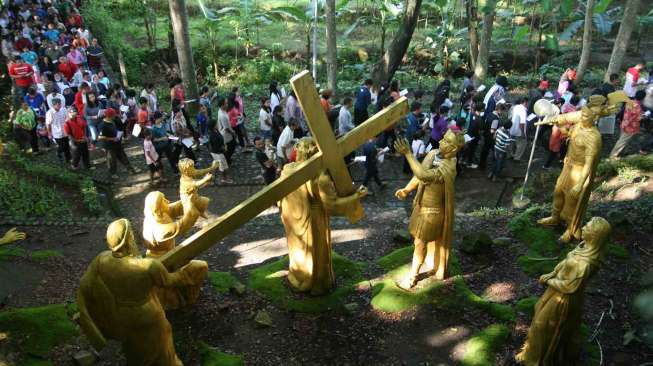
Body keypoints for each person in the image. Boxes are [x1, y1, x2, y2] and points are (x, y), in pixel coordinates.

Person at [77, 219, 186, 365]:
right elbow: (168, 281)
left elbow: (85, 285)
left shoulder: (101, 259)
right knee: (161, 348)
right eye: (131, 236)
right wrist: (185, 274)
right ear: (127, 240)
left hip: (122, 317)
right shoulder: (148, 266)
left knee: (135, 351)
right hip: (147, 315)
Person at [516, 218, 611, 366]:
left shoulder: (586, 263)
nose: (583, 227)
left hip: (564, 299)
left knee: (543, 325)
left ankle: (538, 360)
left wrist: (548, 281)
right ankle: (531, 353)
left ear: (595, 235)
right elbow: (567, 259)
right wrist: (552, 273)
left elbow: (570, 287)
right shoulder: (583, 247)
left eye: (587, 226)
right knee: (538, 311)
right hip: (556, 291)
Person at [278, 138, 367, 295]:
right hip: (315, 219)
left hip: (293, 220)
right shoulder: (320, 177)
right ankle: (318, 283)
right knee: (317, 251)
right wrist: (356, 196)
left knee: (298, 249)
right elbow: (331, 205)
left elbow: (280, 197)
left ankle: (298, 277)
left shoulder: (286, 169)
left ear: (297, 151)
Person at [394, 130, 464, 289]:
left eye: (446, 142)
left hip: (432, 213)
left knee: (420, 243)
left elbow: (424, 175)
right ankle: (423, 263)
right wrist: (407, 189)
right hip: (420, 206)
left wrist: (408, 154)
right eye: (443, 139)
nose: (440, 142)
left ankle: (412, 277)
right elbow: (419, 175)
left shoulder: (448, 168)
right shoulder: (434, 153)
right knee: (418, 241)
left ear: (453, 149)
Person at [98, 108, 137, 179]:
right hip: (109, 146)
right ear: (109, 116)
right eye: (113, 115)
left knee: (123, 157)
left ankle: (130, 169)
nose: (114, 116)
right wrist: (111, 138)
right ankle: (113, 173)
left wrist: (119, 135)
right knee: (112, 160)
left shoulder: (112, 121)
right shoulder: (103, 125)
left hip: (117, 143)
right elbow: (100, 137)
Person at [610, 91, 644, 158]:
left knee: (623, 140)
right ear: (642, 98)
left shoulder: (630, 102)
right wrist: (642, 116)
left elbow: (628, 113)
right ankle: (613, 156)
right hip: (630, 127)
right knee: (622, 142)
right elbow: (637, 118)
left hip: (624, 123)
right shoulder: (637, 107)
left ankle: (622, 151)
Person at [479, 103, 504, 170]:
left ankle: (481, 164)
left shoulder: (490, 114)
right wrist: (499, 131)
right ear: (499, 110)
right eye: (502, 111)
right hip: (491, 137)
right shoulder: (495, 119)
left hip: (486, 134)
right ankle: (493, 167)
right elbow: (492, 131)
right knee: (494, 152)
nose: (502, 113)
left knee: (485, 150)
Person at [46, 98, 70, 164]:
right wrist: (49, 133)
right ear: (54, 105)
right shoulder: (49, 113)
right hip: (57, 133)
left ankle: (68, 159)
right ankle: (59, 153)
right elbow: (48, 124)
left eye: (60, 104)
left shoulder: (63, 109)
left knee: (67, 146)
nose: (59, 106)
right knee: (62, 146)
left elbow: (67, 118)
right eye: (58, 105)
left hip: (65, 131)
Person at [208, 119, 233, 184]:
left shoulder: (216, 131)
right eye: (216, 124)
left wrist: (224, 146)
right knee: (222, 166)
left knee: (223, 165)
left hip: (219, 151)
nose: (217, 124)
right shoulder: (213, 135)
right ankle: (224, 179)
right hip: (217, 153)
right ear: (214, 126)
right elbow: (216, 146)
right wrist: (223, 149)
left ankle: (213, 176)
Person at [464, 102, 485, 168]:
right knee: (472, 150)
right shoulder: (480, 119)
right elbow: (481, 130)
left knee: (468, 149)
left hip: (468, 135)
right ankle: (469, 163)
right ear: (481, 109)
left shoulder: (472, 114)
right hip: (474, 137)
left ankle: (464, 160)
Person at [217, 97, 236, 164]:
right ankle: (226, 159)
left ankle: (227, 158)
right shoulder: (222, 115)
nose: (227, 104)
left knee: (231, 146)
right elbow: (226, 128)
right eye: (226, 103)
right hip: (226, 135)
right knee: (231, 146)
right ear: (222, 105)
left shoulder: (221, 110)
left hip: (227, 132)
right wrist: (233, 133)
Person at [510, 97, 529, 161]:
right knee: (522, 144)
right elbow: (522, 123)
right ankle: (517, 158)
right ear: (525, 102)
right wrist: (523, 133)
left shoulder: (516, 107)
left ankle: (511, 154)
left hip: (512, 128)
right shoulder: (523, 110)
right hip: (519, 130)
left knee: (512, 142)